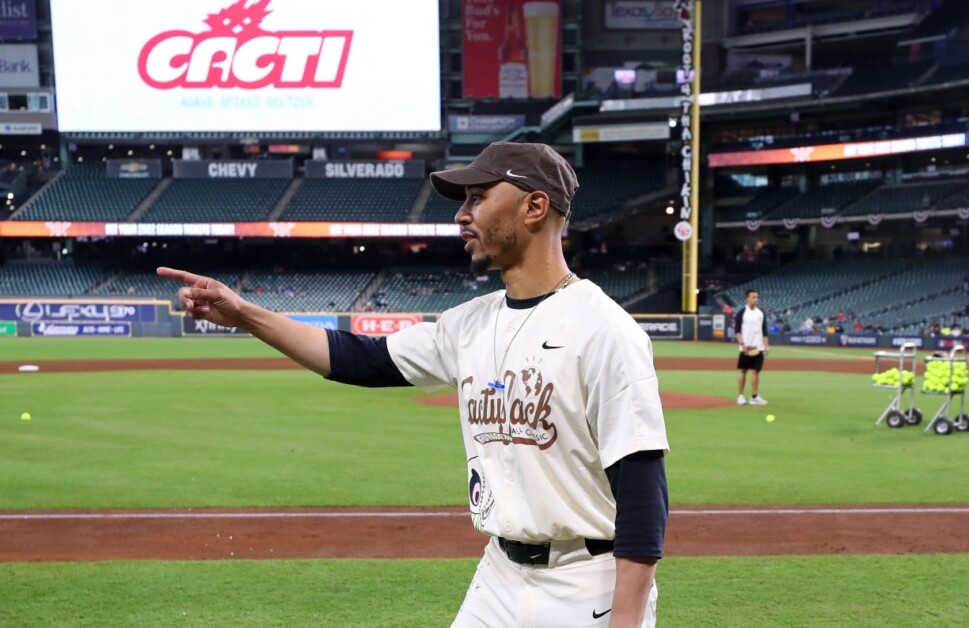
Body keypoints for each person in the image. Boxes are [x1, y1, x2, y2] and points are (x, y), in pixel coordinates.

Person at [158, 142, 670, 628]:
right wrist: (245, 314)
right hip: (500, 573)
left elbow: (642, 491)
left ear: (535, 206)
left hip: (589, 584)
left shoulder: (603, 329)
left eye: (477, 197)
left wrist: (626, 619)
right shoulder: (469, 322)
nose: (461, 214)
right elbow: (362, 360)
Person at [735, 288, 769, 405]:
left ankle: (754, 396)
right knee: (743, 372)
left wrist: (766, 345)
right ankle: (740, 396)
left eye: (757, 297)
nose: (756, 299)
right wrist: (742, 344)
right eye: (753, 297)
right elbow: (737, 331)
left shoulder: (761, 313)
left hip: (758, 348)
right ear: (747, 298)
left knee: (756, 372)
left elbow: (764, 331)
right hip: (746, 347)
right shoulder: (741, 313)